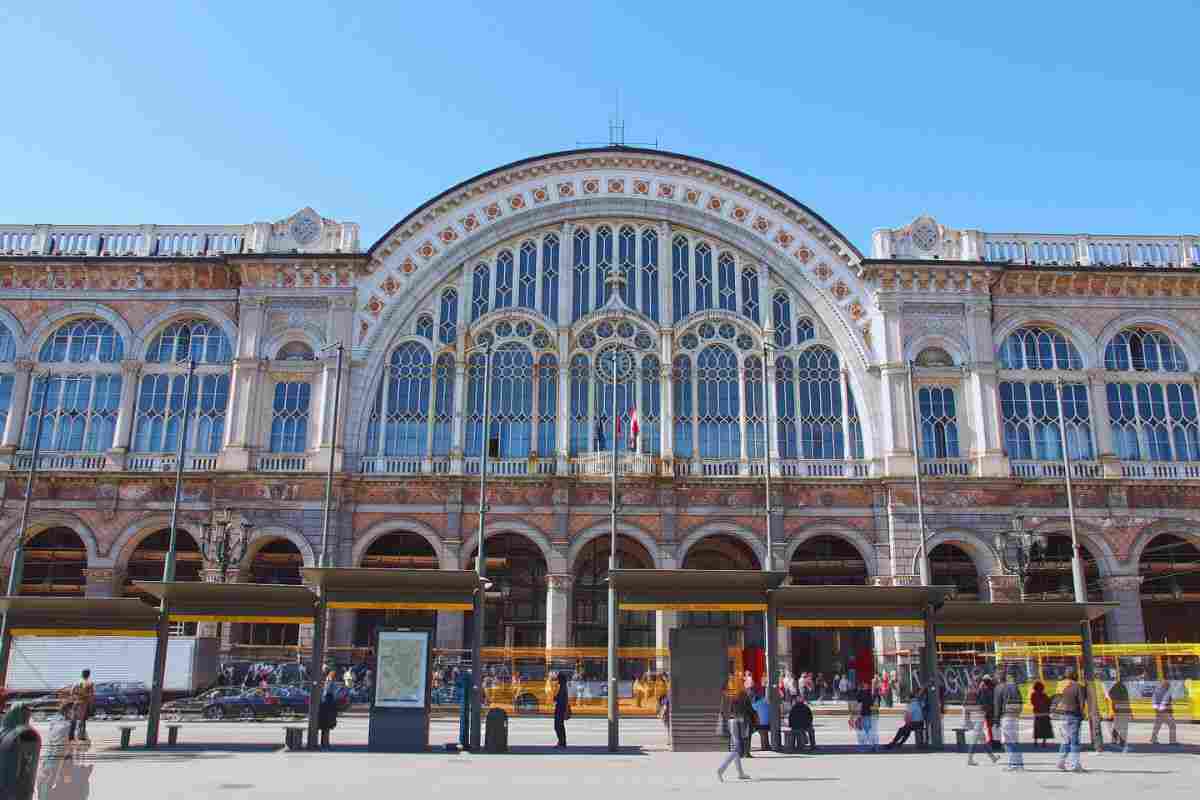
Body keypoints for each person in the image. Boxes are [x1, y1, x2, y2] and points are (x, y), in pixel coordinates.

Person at [1055, 669, 1088, 772]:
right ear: (1076, 676)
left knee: (1065, 740)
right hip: (1074, 716)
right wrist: (1083, 714)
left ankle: (1061, 762)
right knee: (1074, 741)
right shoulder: (1079, 687)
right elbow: (1082, 703)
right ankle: (1075, 765)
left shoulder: (1066, 688)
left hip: (1063, 716)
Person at [717, 691, 753, 782]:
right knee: (737, 749)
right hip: (738, 722)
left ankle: (740, 773)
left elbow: (723, 711)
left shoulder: (727, 696)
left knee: (735, 749)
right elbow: (748, 711)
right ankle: (721, 769)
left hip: (730, 721)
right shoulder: (742, 696)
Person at [962, 677, 997, 765]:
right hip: (978, 717)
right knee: (975, 738)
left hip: (973, 717)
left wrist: (967, 720)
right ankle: (970, 759)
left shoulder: (969, 692)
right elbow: (985, 704)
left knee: (982, 738)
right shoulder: (980, 691)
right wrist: (986, 711)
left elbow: (965, 706)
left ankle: (993, 757)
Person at [995, 671, 1024, 770]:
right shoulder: (1014, 686)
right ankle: (1019, 763)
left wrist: (996, 721)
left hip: (1006, 717)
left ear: (999, 678)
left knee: (1008, 741)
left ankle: (1014, 764)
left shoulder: (999, 688)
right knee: (1014, 740)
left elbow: (997, 706)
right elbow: (1021, 701)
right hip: (1015, 716)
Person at [67, 669, 94, 742]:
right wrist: (91, 705)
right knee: (82, 720)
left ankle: (71, 736)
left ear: (82, 674)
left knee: (73, 719)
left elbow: (71, 692)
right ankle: (81, 736)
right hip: (84, 703)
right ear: (88, 675)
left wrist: (75, 698)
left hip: (76, 702)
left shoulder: (77, 682)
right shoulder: (89, 683)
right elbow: (91, 695)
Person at [1107, 676, 1131, 752]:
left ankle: (1115, 740)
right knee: (1123, 727)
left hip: (1118, 709)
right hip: (1122, 710)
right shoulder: (1121, 688)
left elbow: (1110, 697)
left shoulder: (1115, 688)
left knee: (1117, 726)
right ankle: (1122, 741)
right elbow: (1127, 701)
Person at [1150, 679, 1178, 745]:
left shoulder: (1157, 691)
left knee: (1157, 726)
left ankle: (1153, 739)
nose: (1169, 686)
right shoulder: (1166, 691)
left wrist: (1157, 709)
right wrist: (1162, 709)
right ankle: (1172, 741)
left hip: (1160, 711)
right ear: (1165, 685)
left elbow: (1154, 701)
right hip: (1164, 711)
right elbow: (1164, 701)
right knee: (1172, 725)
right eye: (1168, 685)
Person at [318, 670, 339, 749]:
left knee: (326, 728)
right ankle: (325, 743)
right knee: (326, 727)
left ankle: (325, 743)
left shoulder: (327, 683)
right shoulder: (330, 684)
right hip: (328, 708)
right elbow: (329, 693)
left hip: (326, 708)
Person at [855, 680, 878, 752]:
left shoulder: (861, 692)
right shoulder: (871, 693)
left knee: (863, 731)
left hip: (864, 713)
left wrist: (858, 714)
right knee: (869, 730)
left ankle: (864, 747)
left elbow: (859, 703)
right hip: (869, 714)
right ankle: (873, 745)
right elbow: (874, 703)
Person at [1030, 682, 1053, 747]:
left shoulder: (1033, 695)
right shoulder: (1044, 695)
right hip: (1045, 714)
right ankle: (1043, 743)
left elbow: (1033, 703)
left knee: (1037, 729)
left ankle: (1035, 742)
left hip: (1037, 714)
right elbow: (1049, 703)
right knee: (1045, 729)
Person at [977, 675, 997, 750]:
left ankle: (990, 740)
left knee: (988, 726)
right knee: (993, 726)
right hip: (993, 709)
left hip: (986, 709)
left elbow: (978, 697)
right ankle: (993, 740)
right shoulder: (993, 687)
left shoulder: (982, 687)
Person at [553, 672, 570, 748]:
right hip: (560, 708)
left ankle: (562, 742)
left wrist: (555, 698)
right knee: (559, 726)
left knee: (558, 726)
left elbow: (563, 699)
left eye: (558, 678)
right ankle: (562, 742)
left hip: (560, 709)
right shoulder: (562, 687)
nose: (557, 680)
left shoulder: (563, 687)